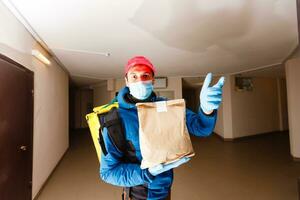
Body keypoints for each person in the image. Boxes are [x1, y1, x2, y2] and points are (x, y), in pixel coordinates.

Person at [99, 56, 225, 200]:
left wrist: (207, 109)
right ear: (127, 80)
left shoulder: (168, 107)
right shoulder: (115, 120)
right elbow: (108, 172)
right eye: (134, 76)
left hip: (165, 189)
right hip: (138, 193)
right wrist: (146, 173)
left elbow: (202, 128)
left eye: (145, 75)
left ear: (153, 80)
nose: (140, 81)